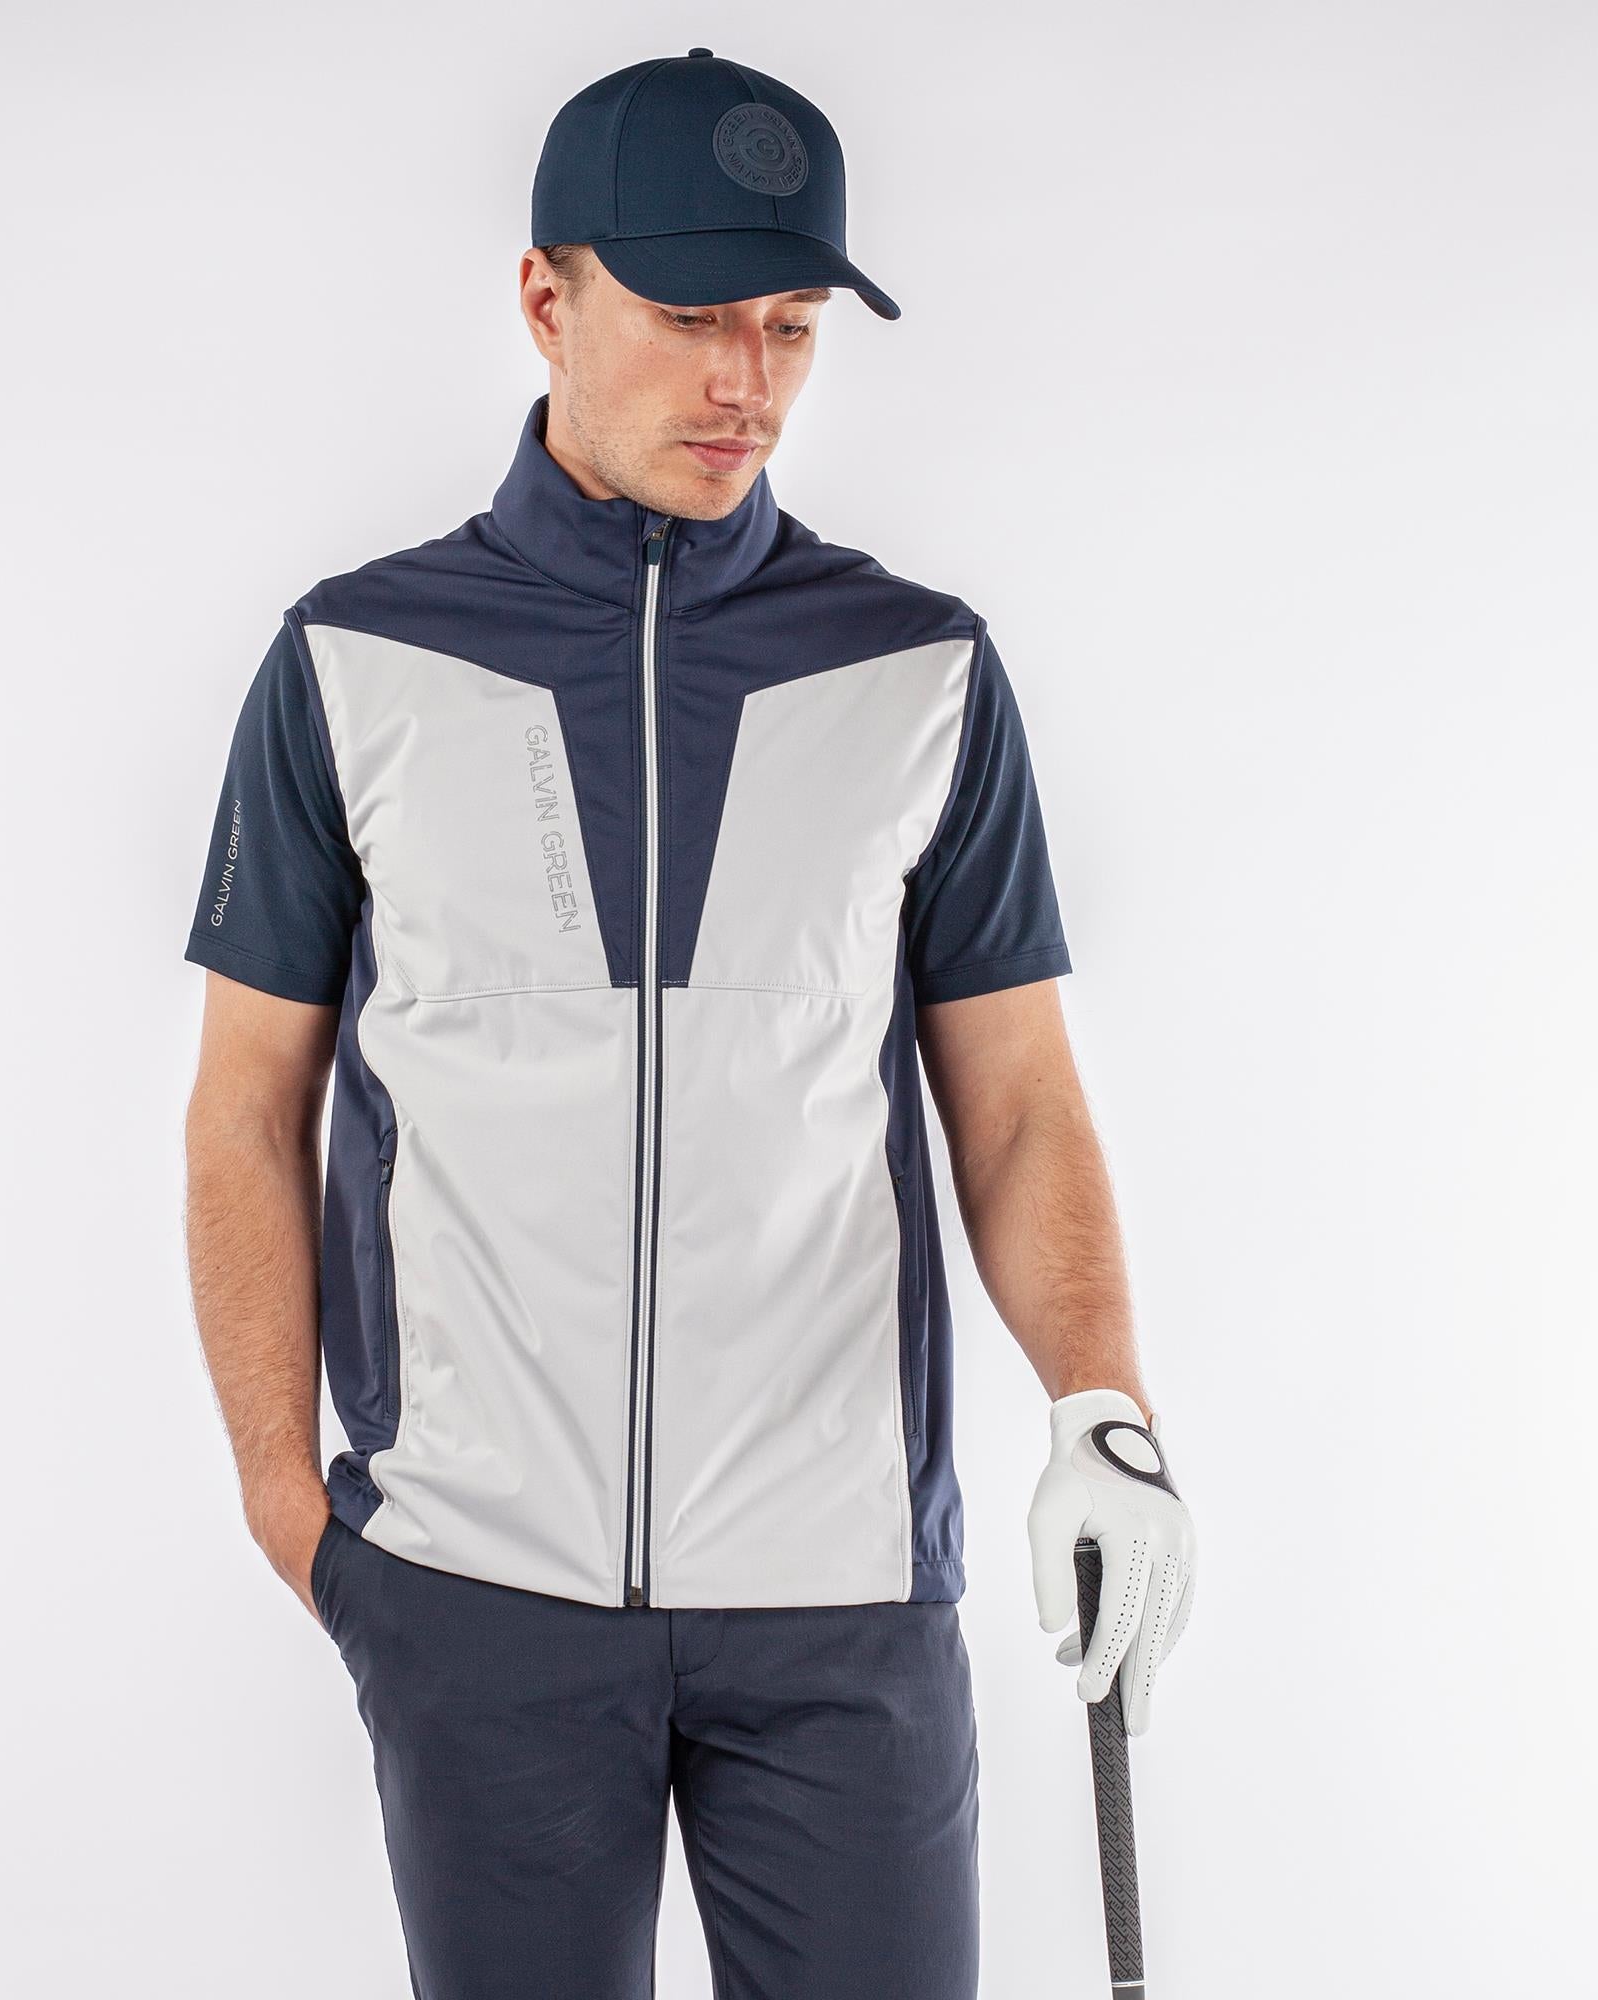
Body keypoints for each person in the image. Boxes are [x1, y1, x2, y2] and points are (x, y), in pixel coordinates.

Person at [181, 47, 1197, 2000]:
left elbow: (1015, 1105)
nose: (749, 382)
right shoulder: (354, 662)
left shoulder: (918, 672)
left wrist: (1103, 1407)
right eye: (693, 317)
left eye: (792, 325)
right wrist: (288, 1507)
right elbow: (246, 1105)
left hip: (842, 1608)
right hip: (474, 1592)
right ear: (545, 298)